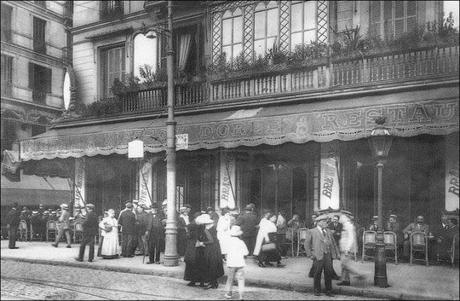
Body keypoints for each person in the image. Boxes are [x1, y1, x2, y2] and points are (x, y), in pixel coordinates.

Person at [304, 214, 340, 297]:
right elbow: (306, 244)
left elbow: (334, 243)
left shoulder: (328, 231)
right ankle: (317, 290)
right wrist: (310, 255)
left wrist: (337, 253)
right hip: (317, 255)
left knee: (328, 273)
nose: (326, 223)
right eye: (324, 221)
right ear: (318, 222)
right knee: (317, 273)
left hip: (328, 255)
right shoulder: (312, 231)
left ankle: (329, 291)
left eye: (326, 221)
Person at [196, 213, 224, 289]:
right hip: (216, 248)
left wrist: (202, 243)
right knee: (214, 265)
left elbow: (211, 241)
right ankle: (214, 283)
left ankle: (212, 283)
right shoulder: (214, 227)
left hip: (210, 249)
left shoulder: (206, 230)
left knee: (210, 265)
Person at [336, 213, 365, 286]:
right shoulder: (345, 225)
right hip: (344, 248)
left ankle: (359, 274)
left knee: (345, 264)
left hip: (347, 249)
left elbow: (351, 238)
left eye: (342, 216)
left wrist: (347, 249)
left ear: (346, 217)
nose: (340, 218)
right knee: (344, 265)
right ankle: (345, 280)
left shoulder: (349, 226)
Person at [224, 225, 249, 300]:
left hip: (231, 263)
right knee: (241, 280)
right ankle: (241, 296)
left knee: (230, 279)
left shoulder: (228, 241)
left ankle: (229, 294)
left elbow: (225, 252)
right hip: (240, 263)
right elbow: (246, 253)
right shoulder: (241, 242)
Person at [184, 212, 206, 286]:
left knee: (198, 263)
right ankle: (196, 281)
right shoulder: (193, 225)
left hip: (196, 247)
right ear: (197, 218)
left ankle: (196, 281)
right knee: (195, 263)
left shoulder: (196, 225)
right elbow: (189, 235)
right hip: (194, 247)